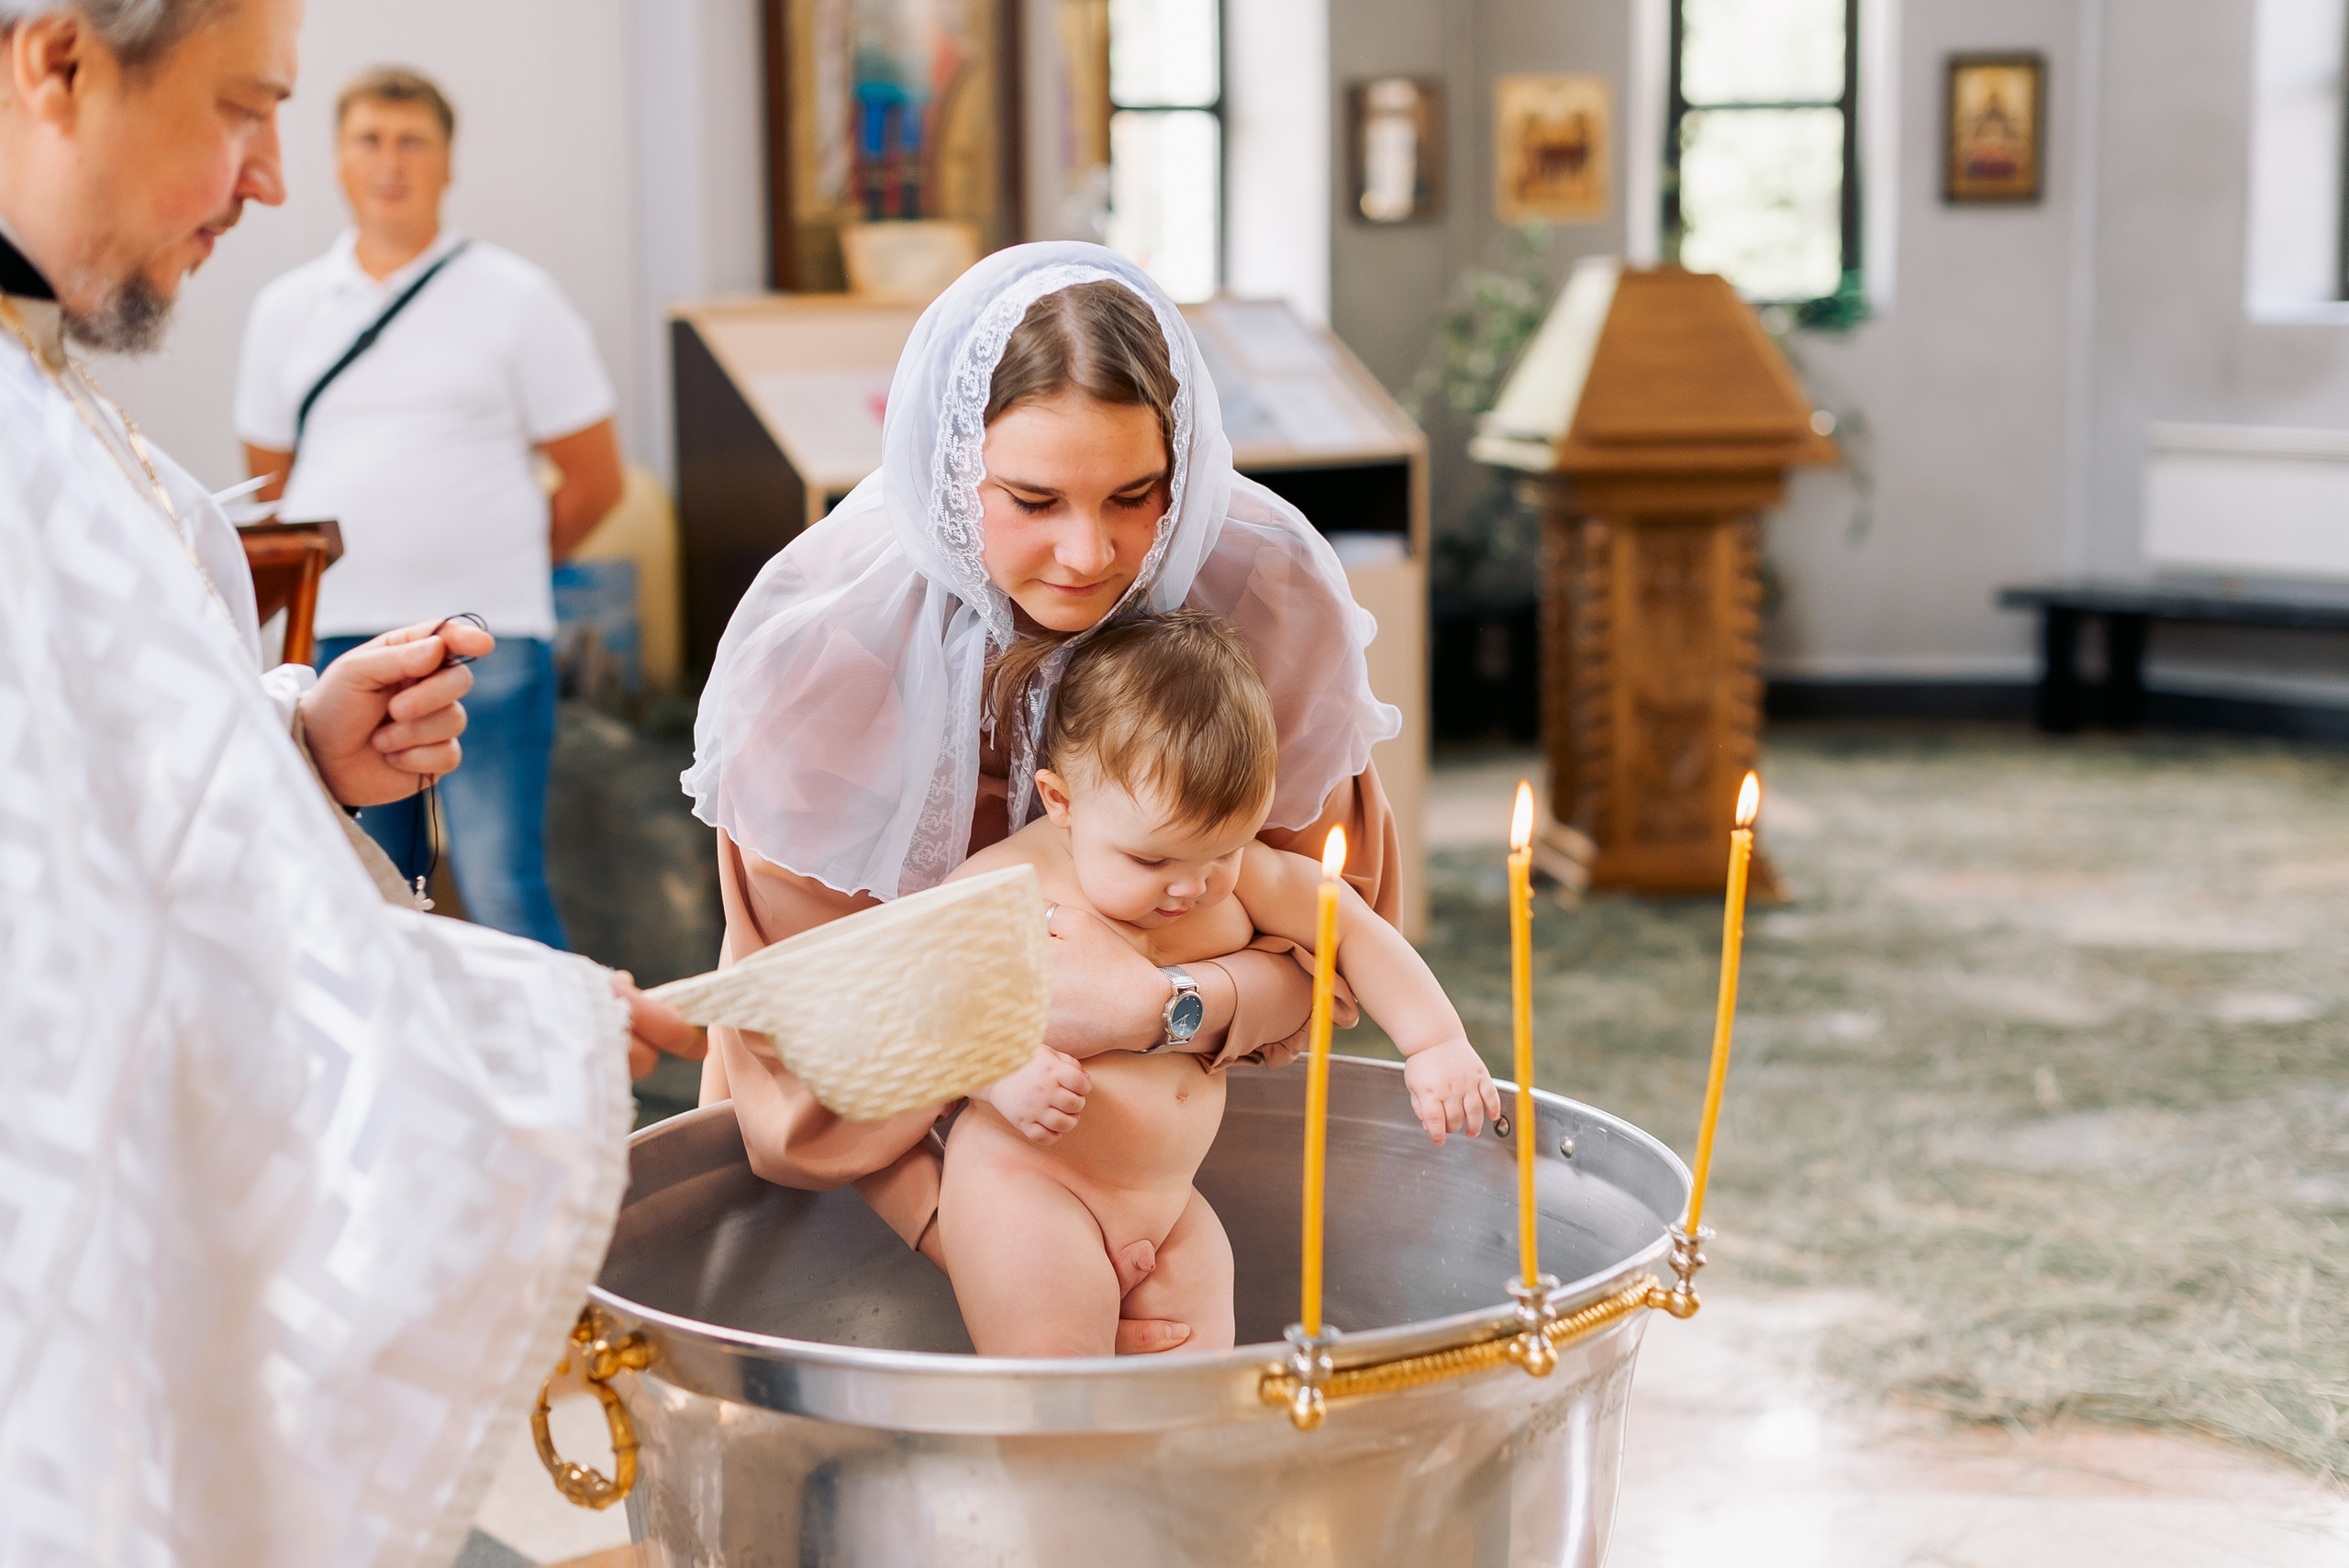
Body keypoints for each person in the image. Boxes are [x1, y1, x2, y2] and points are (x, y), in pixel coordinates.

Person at [0, 2, 701, 1560]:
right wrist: (542, 1041)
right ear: (57, 64)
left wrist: (293, 739)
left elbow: (86, 788)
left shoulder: (48, 393)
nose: (265, 181)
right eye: (243, 111)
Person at [686, 245, 1406, 1352]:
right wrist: (977, 1229)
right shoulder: (820, 649)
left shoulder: (1261, 587)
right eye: (1031, 499)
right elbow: (812, 1020)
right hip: (866, 1162)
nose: (1088, 553)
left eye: (1136, 495)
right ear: (947, 465)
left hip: (1160, 1165)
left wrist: (1171, 1006)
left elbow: (1323, 941)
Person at [939, 610, 1501, 1357]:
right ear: (1061, 800)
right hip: (1028, 1188)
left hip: (1169, 1206)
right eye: (1151, 861)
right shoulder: (1009, 883)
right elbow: (922, 1003)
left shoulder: (1236, 875)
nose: (1191, 888)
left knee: (1196, 1396)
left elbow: (1351, 926)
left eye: (1223, 852)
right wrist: (1001, 1070)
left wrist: (1434, 1041)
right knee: (1059, 1399)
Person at [235, 65, 624, 948]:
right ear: (337, 160)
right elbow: (273, 489)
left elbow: (596, 478)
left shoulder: (516, 297)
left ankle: (568, 1085)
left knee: (499, 883)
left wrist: (502, 567)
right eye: (369, 139)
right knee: (360, 894)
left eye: (413, 141)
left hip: (487, 642)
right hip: (336, 643)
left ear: (447, 163)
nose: (390, 161)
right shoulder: (284, 311)